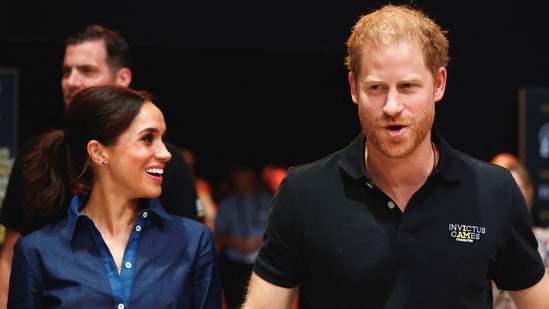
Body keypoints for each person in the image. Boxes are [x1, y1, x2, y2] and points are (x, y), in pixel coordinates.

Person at [241, 4, 549, 308]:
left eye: (407, 86)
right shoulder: (303, 193)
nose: (392, 106)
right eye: (376, 88)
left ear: (438, 84)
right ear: (353, 88)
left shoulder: (494, 191)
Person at [0, 24, 202, 308]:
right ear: (95, 154)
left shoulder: (167, 163)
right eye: (66, 71)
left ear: (123, 79)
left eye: (86, 70)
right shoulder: (35, 156)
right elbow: (11, 259)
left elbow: (187, 257)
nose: (72, 81)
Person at [490, 152, 549, 309]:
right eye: (499, 191)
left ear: (529, 192)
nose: (508, 199)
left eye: (516, 189)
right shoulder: (475, 241)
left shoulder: (546, 241)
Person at [214, 164, 273, 309]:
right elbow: (218, 233)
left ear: (251, 174)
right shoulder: (227, 202)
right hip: (235, 264)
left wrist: (260, 239)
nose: (236, 177)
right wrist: (234, 241)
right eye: (235, 174)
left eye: (240, 172)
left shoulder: (269, 199)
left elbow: (280, 229)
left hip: (262, 262)